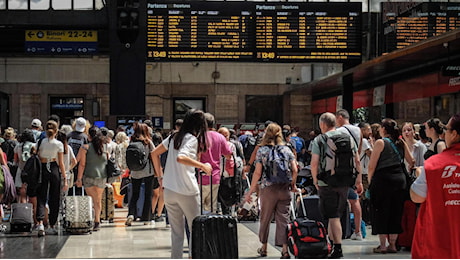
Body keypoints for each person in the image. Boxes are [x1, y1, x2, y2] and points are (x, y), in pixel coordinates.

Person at [151, 109, 212, 259]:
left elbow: (154, 153)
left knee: (176, 233)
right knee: (196, 230)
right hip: (187, 190)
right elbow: (181, 157)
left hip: (170, 189)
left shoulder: (173, 137)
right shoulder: (191, 139)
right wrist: (203, 166)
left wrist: (160, 176)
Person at [311, 112, 361, 259]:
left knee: (332, 216)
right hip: (345, 181)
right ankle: (330, 244)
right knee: (336, 214)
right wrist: (357, 181)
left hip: (326, 181)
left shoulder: (320, 139)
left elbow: (314, 163)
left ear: (322, 124)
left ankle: (338, 247)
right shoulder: (348, 138)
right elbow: (357, 161)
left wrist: (315, 180)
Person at [244, 123, 298, 259]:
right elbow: (295, 169)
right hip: (284, 188)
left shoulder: (262, 150)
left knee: (265, 218)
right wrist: (293, 184)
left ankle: (264, 247)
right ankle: (285, 250)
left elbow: (257, 173)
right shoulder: (287, 150)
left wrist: (251, 191)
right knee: (283, 219)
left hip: (268, 189)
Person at [410, 113, 460, 259]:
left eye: (447, 129)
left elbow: (416, 196)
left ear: (455, 134)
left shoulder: (433, 165)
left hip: (439, 242)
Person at [367, 118, 415, 254]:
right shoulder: (400, 143)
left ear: (383, 129)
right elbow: (411, 160)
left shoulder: (380, 143)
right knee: (396, 211)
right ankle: (393, 245)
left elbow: (371, 166)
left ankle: (382, 245)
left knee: (381, 211)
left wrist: (371, 182)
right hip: (399, 181)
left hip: (383, 180)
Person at [335, 109, 364, 241]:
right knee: (355, 200)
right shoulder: (358, 130)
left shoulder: (338, 131)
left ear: (340, 117)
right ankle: (357, 231)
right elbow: (358, 150)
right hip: (354, 168)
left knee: (338, 200)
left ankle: (338, 231)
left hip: (341, 170)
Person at [36, 120, 68, 236]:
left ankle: (40, 222)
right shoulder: (59, 144)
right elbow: (61, 163)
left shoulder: (41, 142)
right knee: (55, 196)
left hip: (43, 168)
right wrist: (65, 178)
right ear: (56, 131)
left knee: (41, 195)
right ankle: (52, 224)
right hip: (54, 167)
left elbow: (38, 156)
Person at [75, 126, 107, 232]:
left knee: (90, 199)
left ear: (89, 136)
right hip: (102, 176)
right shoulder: (104, 147)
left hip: (89, 176)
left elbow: (82, 164)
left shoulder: (85, 148)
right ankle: (97, 221)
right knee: (98, 200)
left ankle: (90, 219)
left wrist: (79, 179)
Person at [199, 113, 232, 213]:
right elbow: (228, 155)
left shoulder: (199, 136)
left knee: (198, 207)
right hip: (215, 177)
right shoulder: (220, 137)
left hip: (200, 176)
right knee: (212, 208)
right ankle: (210, 227)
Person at [125, 122, 157, 226]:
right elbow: (154, 156)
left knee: (135, 194)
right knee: (148, 195)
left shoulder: (132, 141)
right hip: (148, 171)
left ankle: (131, 214)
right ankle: (146, 217)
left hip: (135, 172)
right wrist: (157, 171)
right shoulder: (148, 142)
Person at [13, 129, 36, 203]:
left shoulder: (18, 146)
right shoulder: (34, 145)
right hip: (32, 171)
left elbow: (15, 160)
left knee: (22, 192)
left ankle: (23, 210)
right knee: (32, 193)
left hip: (21, 169)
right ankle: (32, 211)